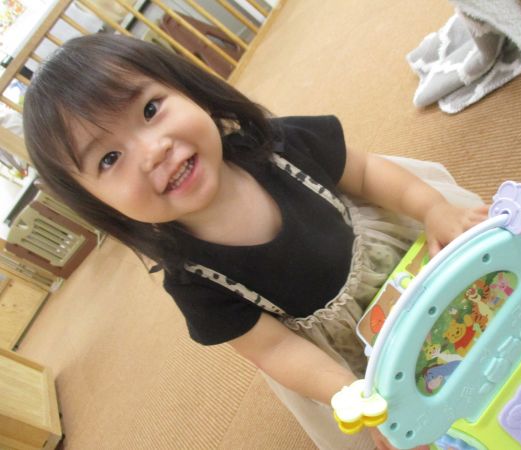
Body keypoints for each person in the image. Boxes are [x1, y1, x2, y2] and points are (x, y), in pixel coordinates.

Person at [23, 34, 488, 450]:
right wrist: (351, 393)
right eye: (109, 158)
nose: (153, 151)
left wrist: (432, 208)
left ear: (188, 89)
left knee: (480, 312)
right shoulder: (193, 282)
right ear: (100, 204)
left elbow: (365, 172)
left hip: (407, 265)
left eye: (149, 110)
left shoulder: (279, 144)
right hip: (356, 357)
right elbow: (275, 350)